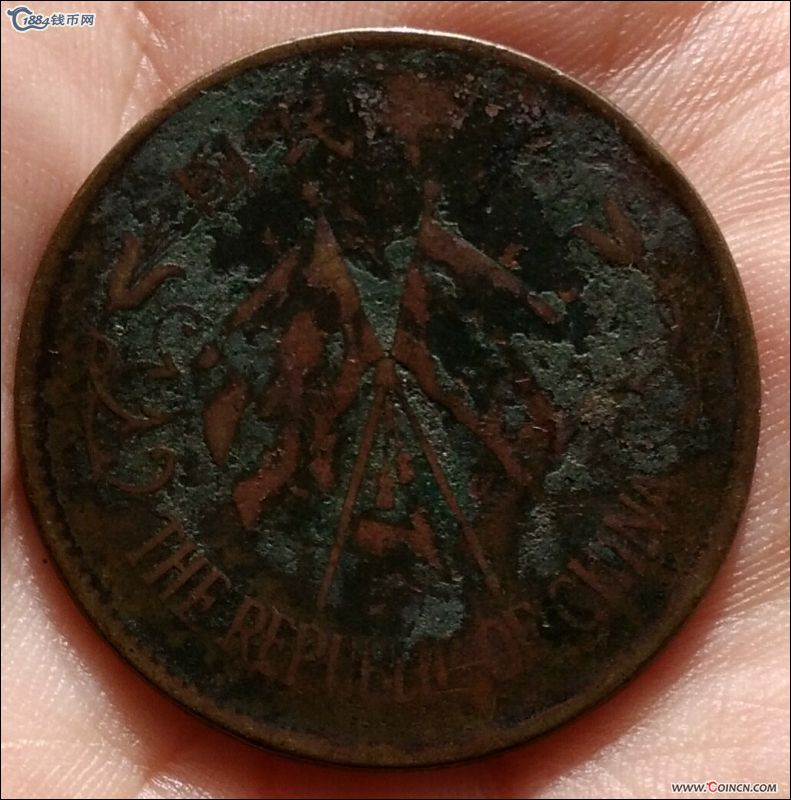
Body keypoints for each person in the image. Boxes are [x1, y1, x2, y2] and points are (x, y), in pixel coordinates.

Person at [2, 2, 788, 797]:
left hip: (418, 415)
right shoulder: (318, 262)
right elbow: (256, 318)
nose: (381, 194)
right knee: (321, 450)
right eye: (366, 181)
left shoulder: (426, 254)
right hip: (334, 420)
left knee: (461, 434)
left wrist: (532, 315)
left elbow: (489, 287)